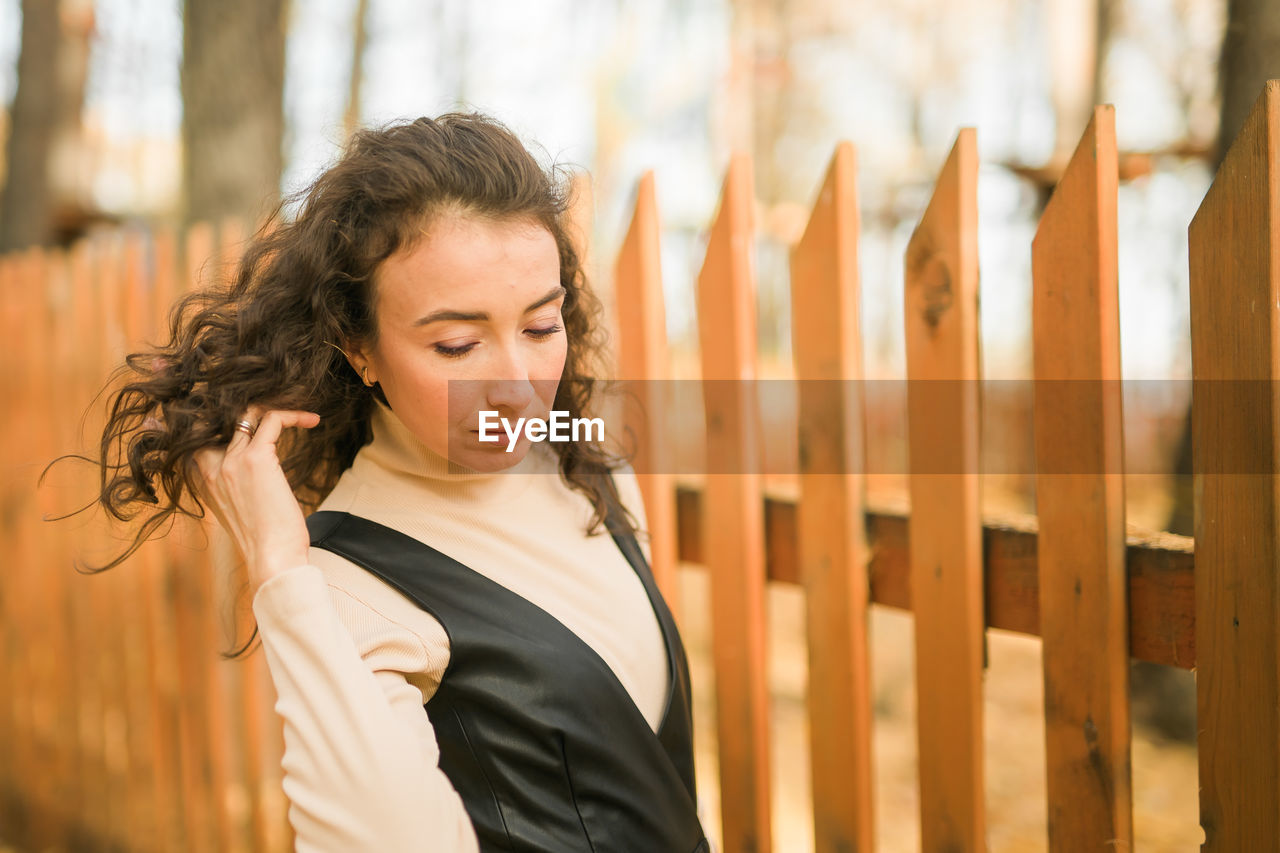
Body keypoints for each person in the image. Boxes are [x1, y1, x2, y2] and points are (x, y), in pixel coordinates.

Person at [86, 114, 708, 852]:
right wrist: (282, 573)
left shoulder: (588, 470)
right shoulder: (351, 584)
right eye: (457, 343)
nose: (517, 385)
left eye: (542, 327)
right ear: (360, 349)